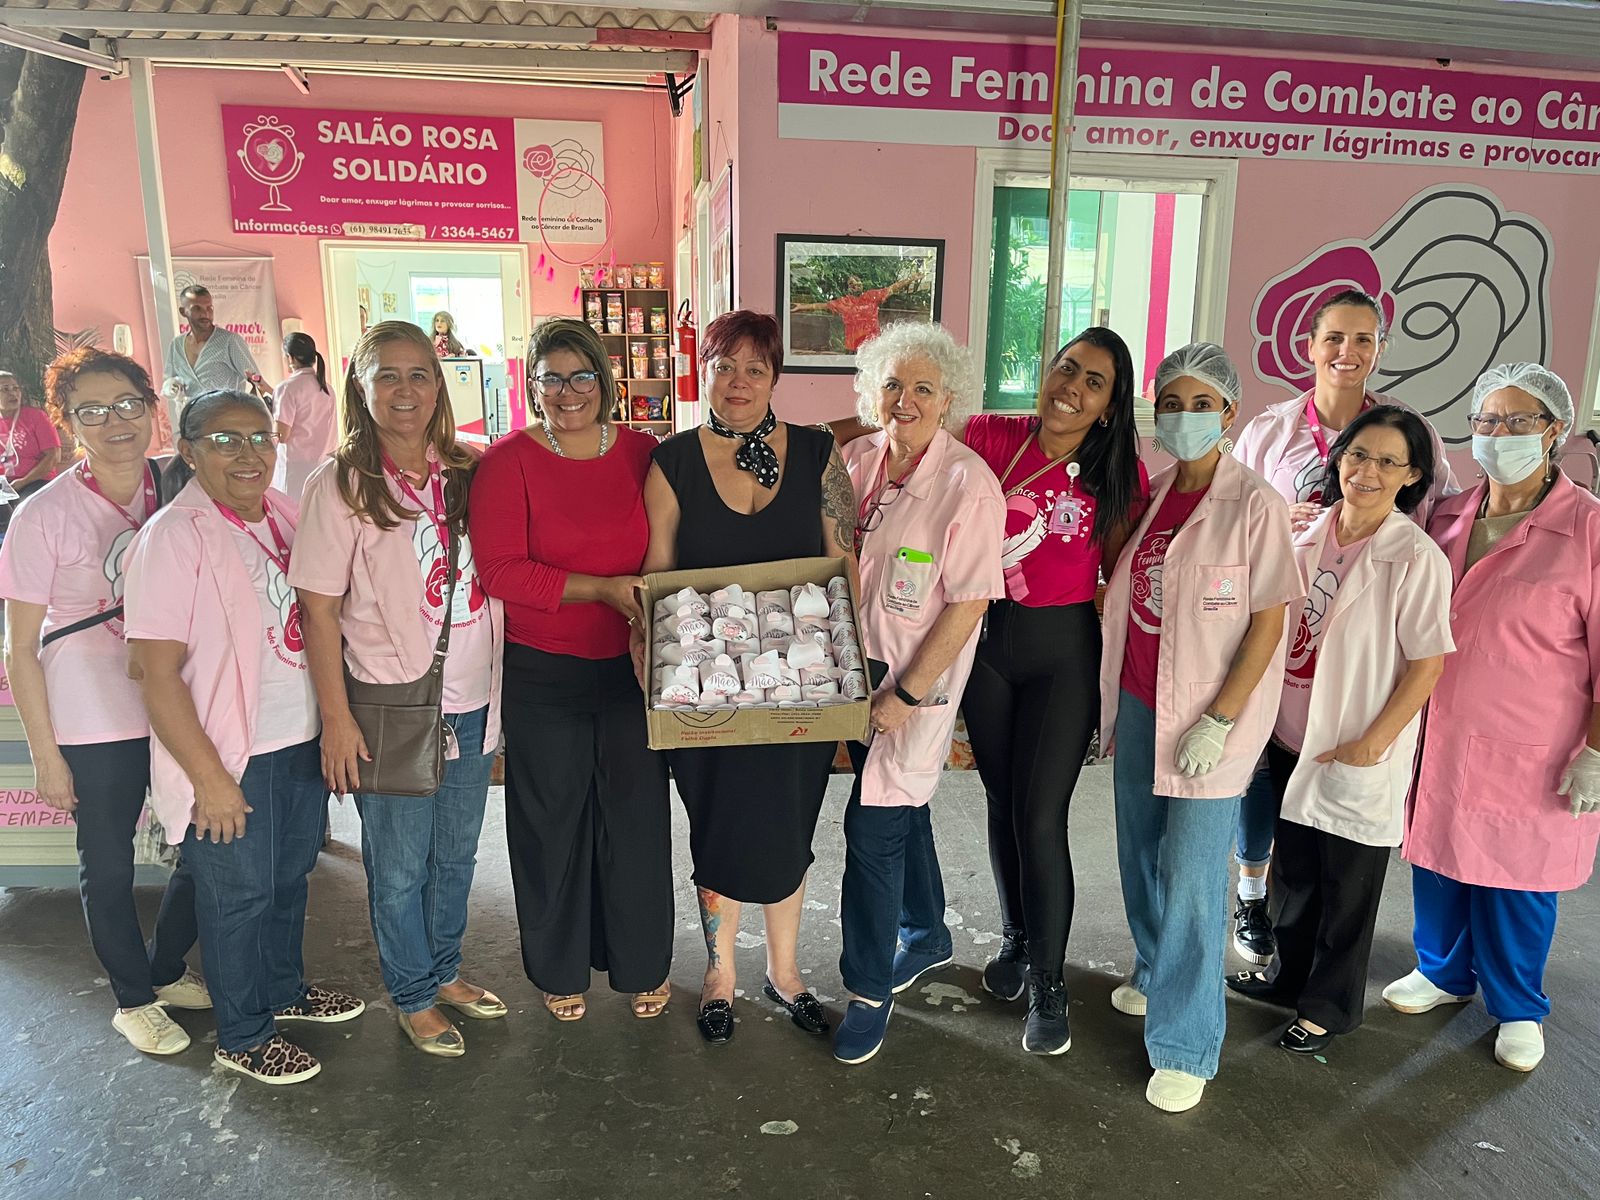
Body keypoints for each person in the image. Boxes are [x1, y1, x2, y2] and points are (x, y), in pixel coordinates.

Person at [125, 389, 364, 1085]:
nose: (248, 453)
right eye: (224, 440)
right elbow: (154, 672)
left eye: (259, 437)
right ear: (190, 450)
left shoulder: (286, 516)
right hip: (232, 757)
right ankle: (245, 1034)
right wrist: (209, 778)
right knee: (237, 898)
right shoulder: (173, 536)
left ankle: (285, 992)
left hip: (296, 741)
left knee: (289, 881)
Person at [636, 309, 855, 1046]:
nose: (737, 382)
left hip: (805, 684)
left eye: (754, 369)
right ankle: (722, 974)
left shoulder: (823, 456)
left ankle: (786, 973)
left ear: (775, 379)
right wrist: (652, 660)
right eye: (724, 366)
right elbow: (656, 577)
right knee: (719, 825)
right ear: (705, 370)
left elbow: (843, 564)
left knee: (790, 823)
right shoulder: (671, 463)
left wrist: (855, 671)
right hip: (705, 687)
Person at [291, 321, 506, 1059]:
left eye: (420, 375)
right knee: (398, 864)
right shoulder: (342, 483)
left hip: (475, 699)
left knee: (455, 856)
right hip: (389, 705)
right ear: (360, 384)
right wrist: (336, 720)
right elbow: (317, 608)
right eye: (388, 375)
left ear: (440, 385)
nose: (405, 390)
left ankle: (443, 970)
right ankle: (411, 991)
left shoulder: (468, 470)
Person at [1227, 288, 1459, 970]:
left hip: (1366, 642)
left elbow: (1433, 521)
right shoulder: (1269, 432)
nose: (1347, 352)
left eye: (1362, 340)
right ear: (1310, 346)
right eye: (1334, 338)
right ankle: (1253, 898)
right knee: (1267, 784)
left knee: (1341, 832)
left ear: (1379, 349)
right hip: (1283, 636)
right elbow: (1234, 517)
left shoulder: (1409, 434)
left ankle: (1326, 979)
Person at [1099, 342, 1301, 1113]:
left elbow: (1268, 622)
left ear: (1230, 412)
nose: (1184, 417)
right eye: (1171, 403)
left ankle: (1187, 1041)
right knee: (1139, 853)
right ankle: (1155, 970)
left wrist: (1220, 720)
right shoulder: (1152, 495)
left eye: (1200, 404)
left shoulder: (1254, 503)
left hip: (1211, 715)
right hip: (1144, 702)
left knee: (1190, 874)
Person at [1385, 363, 1600, 1074]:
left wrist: (1596, 750)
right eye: (1486, 420)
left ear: (1556, 431)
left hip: (1535, 743)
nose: (1498, 434)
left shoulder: (1588, 529)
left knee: (1516, 880)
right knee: (1438, 856)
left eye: (1518, 421)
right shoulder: (1446, 515)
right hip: (1440, 731)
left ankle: (1516, 1004)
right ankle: (1443, 973)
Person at [0, 349, 207, 1056]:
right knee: (110, 862)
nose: (114, 421)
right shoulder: (42, 515)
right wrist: (46, 755)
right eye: (91, 410)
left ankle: (165, 966)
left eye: (127, 403)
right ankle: (132, 997)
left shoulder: (182, 488)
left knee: (206, 846)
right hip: (93, 715)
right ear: (67, 423)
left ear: (153, 406)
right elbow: (21, 647)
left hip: (178, 702)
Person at [470, 318, 671, 1022]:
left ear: (605, 381)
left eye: (581, 375)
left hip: (636, 668)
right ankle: (559, 968)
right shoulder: (508, 462)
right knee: (552, 822)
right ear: (531, 386)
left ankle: (644, 962)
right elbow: (500, 569)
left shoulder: (645, 454)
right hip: (545, 669)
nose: (567, 392)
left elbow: (672, 547)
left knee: (636, 819)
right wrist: (601, 589)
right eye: (550, 378)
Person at [958, 327, 1148, 1042]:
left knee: (1041, 817)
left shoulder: (1118, 474)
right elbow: (904, 430)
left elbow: (1132, 571)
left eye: (1093, 380)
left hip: (1062, 656)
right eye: (1066, 367)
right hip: (986, 649)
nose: (1071, 385)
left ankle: (1049, 984)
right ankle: (1015, 936)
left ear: (1109, 404)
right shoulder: (990, 435)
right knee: (1002, 800)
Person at [832, 323, 1004, 1064]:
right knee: (903, 806)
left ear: (949, 400)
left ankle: (868, 991)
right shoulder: (857, 459)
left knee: (872, 830)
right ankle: (929, 930)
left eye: (923, 389)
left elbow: (968, 604)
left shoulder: (969, 483)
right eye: (893, 385)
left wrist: (905, 694)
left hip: (913, 680)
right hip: (849, 665)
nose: (905, 401)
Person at [163, 285, 265, 405]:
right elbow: (168, 382)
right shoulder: (176, 345)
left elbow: (257, 380)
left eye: (209, 308)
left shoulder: (229, 341)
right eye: (197, 308)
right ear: (183, 312)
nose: (205, 314)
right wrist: (172, 387)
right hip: (191, 420)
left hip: (226, 419)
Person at [272, 332, 337, 502]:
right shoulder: (327, 388)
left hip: (296, 469)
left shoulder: (286, 389)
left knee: (293, 518)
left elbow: (282, 436)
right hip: (325, 466)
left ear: (290, 358)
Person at [792, 270, 923, 353]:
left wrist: (911, 278)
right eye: (851, 284)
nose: (856, 286)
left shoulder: (871, 296)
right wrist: (801, 306)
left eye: (858, 283)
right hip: (853, 349)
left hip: (873, 347)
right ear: (848, 287)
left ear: (862, 284)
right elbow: (822, 305)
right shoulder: (844, 302)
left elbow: (892, 288)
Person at [0, 370, 64, 538]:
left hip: (35, 482)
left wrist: (22, 482)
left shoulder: (36, 417)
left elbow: (52, 457)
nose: (13, 393)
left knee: (28, 512)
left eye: (16, 388)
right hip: (4, 486)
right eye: (5, 389)